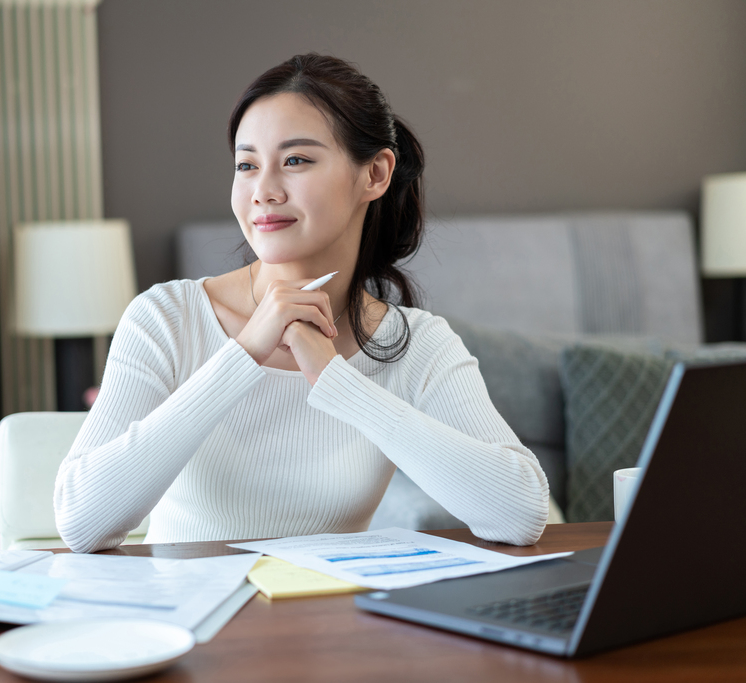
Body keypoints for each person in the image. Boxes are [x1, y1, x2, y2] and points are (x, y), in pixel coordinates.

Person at [54, 54, 549, 553]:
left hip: (332, 623)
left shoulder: (416, 343)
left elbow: (521, 514)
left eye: (295, 161)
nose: (263, 192)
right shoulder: (166, 318)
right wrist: (243, 354)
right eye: (246, 165)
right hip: (193, 623)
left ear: (375, 174)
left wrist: (335, 379)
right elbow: (81, 523)